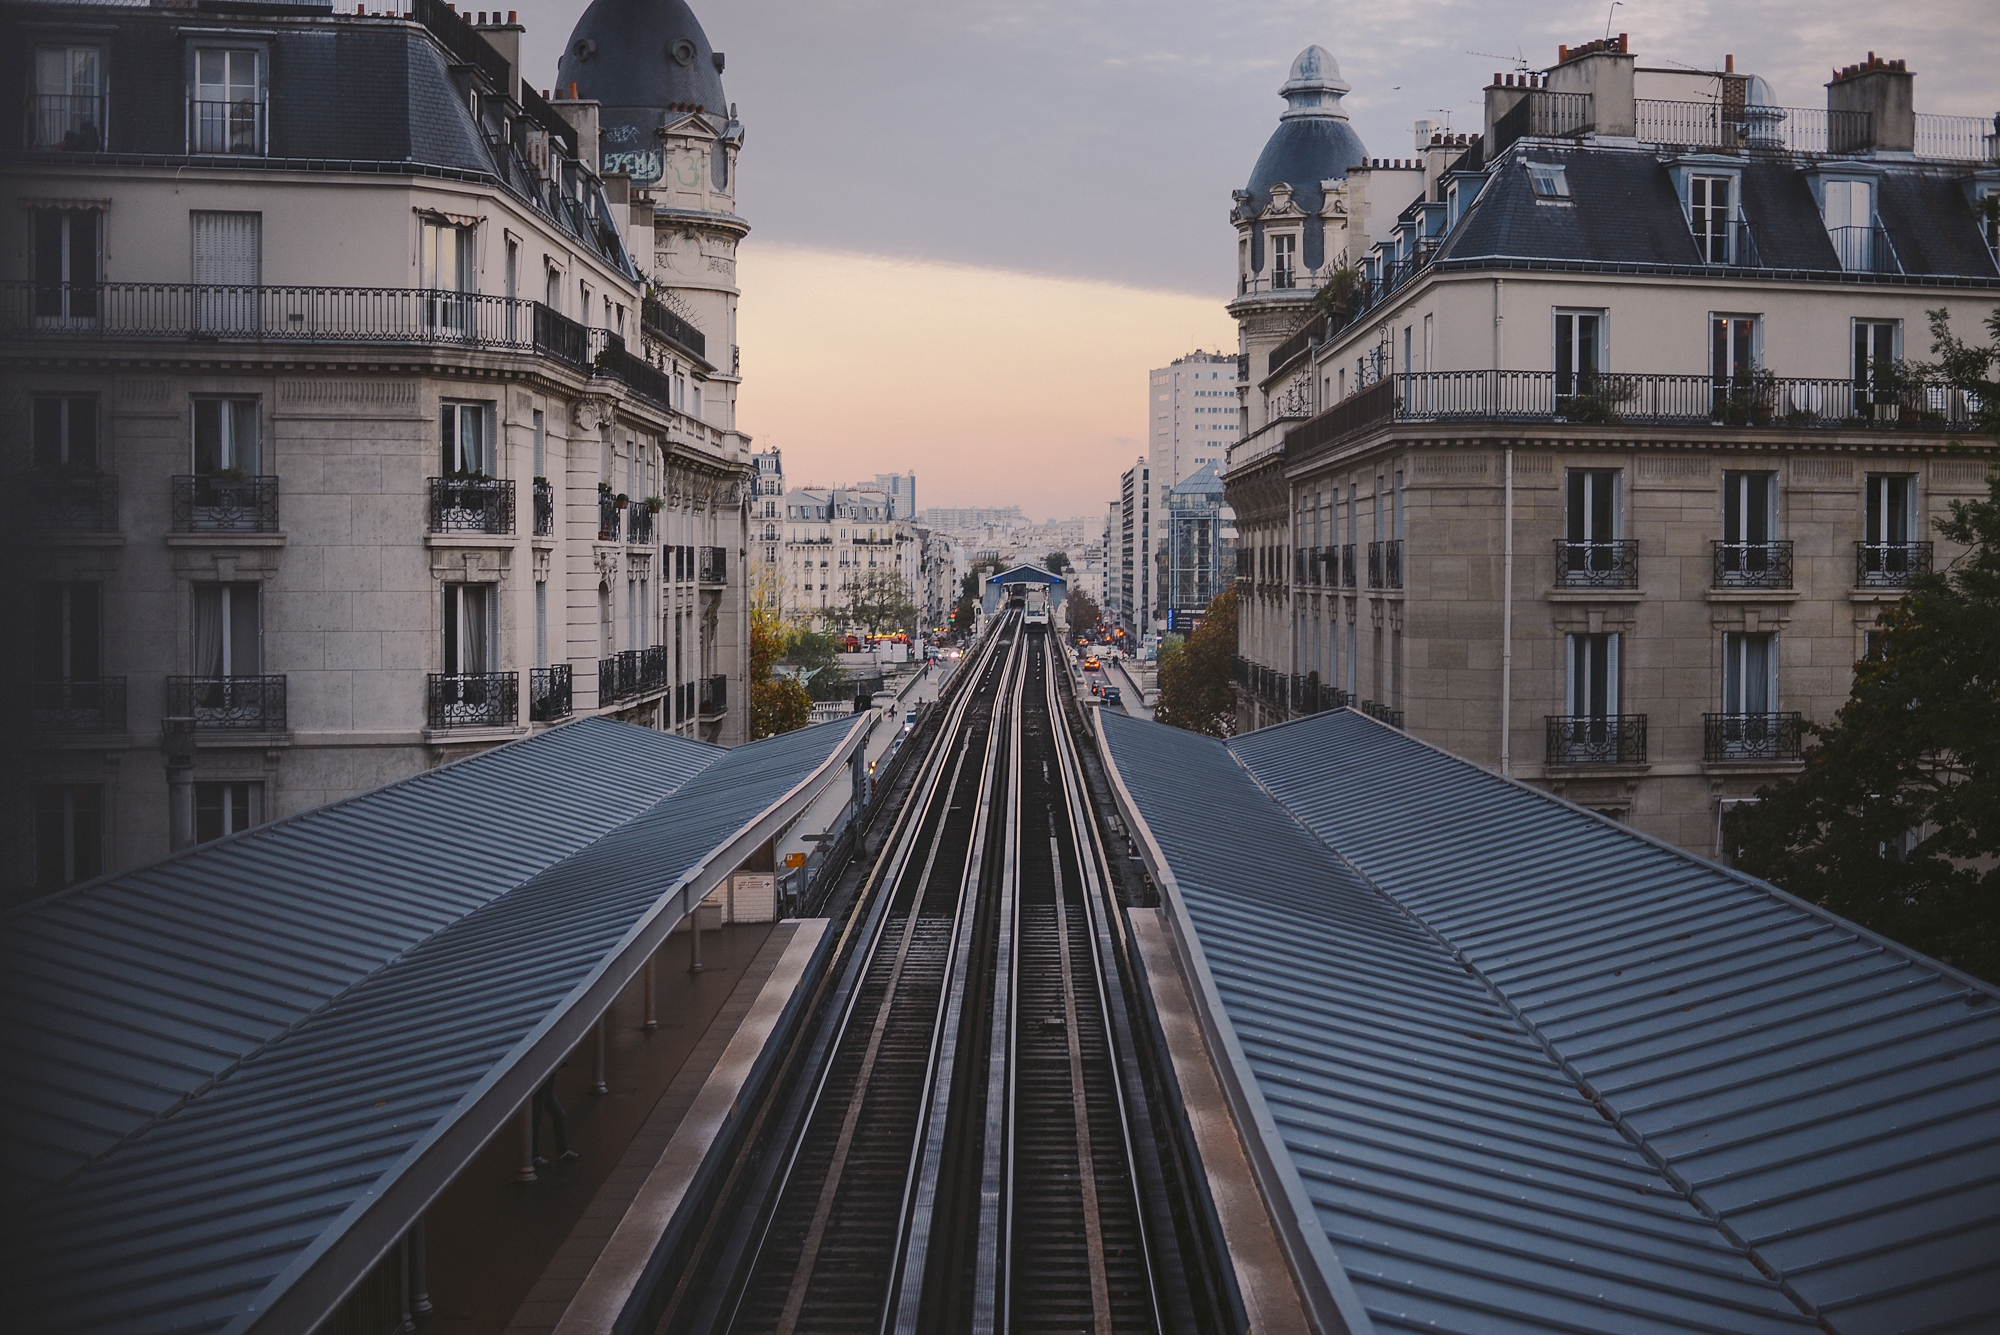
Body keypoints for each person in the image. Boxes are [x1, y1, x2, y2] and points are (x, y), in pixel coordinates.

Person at [531, 1073, 580, 1166]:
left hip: (546, 1089)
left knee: (559, 1115)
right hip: (541, 1089)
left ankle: (562, 1151)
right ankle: (534, 1156)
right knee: (536, 1121)